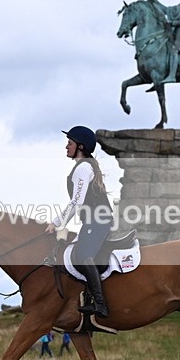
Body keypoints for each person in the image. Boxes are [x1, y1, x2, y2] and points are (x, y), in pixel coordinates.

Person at [46, 125, 114, 318]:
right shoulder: (84, 167)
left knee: (83, 254)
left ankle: (100, 304)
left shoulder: (83, 168)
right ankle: (88, 298)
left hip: (98, 221)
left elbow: (77, 202)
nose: (66, 147)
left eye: (70, 143)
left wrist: (56, 223)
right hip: (93, 221)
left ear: (80, 146)